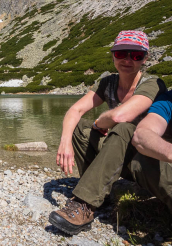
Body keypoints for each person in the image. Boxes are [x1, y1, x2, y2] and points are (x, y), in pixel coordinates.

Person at [48, 30, 166, 235]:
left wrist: (99, 123)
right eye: (121, 53)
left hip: (144, 160)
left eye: (136, 55)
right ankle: (95, 191)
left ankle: (85, 204)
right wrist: (65, 141)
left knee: (123, 127)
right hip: (117, 149)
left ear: (145, 58)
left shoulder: (152, 84)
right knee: (78, 126)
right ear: (113, 55)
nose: (128, 60)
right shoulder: (107, 83)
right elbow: (75, 110)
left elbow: (121, 116)